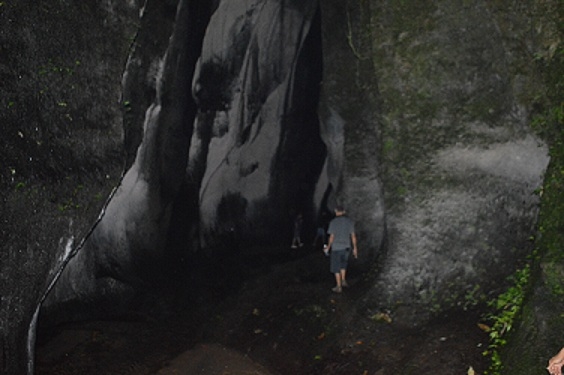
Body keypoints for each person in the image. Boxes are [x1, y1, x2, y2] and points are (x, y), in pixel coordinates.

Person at [324, 204, 358, 293]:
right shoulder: (349, 222)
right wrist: (355, 248)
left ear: (336, 212)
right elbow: (353, 236)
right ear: (344, 212)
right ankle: (343, 280)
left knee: (336, 267)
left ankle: (338, 286)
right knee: (343, 264)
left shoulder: (333, 222)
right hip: (347, 247)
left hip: (337, 248)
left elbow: (331, 236)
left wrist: (328, 247)